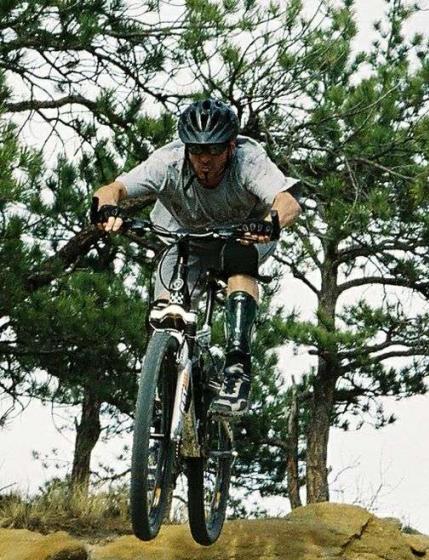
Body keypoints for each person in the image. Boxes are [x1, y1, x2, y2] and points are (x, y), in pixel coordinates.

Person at [92, 98, 301, 416]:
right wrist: (106, 208)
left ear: (230, 146)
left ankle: (236, 367)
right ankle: (164, 379)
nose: (205, 161)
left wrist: (271, 223)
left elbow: (288, 201)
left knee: (239, 259)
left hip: (242, 235)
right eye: (197, 151)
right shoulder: (168, 161)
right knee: (164, 310)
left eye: (214, 151)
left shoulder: (248, 160)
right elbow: (112, 189)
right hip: (185, 237)